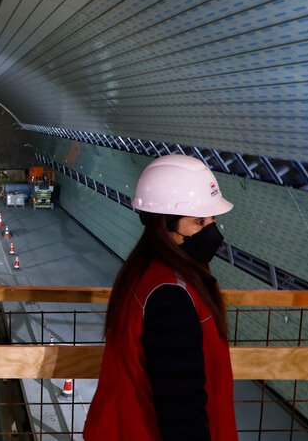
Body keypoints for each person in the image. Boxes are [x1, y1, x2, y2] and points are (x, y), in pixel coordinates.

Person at [83, 154, 238, 441]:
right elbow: (182, 410)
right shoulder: (171, 297)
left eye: (213, 219)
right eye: (200, 221)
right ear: (165, 225)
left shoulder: (146, 273)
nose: (213, 232)